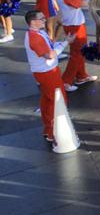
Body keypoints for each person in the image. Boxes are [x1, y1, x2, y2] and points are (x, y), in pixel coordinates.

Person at [23, 9, 68, 144]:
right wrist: (65, 43)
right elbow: (49, 55)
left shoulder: (38, 32)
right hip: (46, 73)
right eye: (41, 18)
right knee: (58, 100)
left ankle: (48, 128)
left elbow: (49, 47)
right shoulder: (34, 38)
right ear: (33, 22)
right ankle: (53, 133)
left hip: (48, 71)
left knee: (48, 100)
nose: (45, 20)